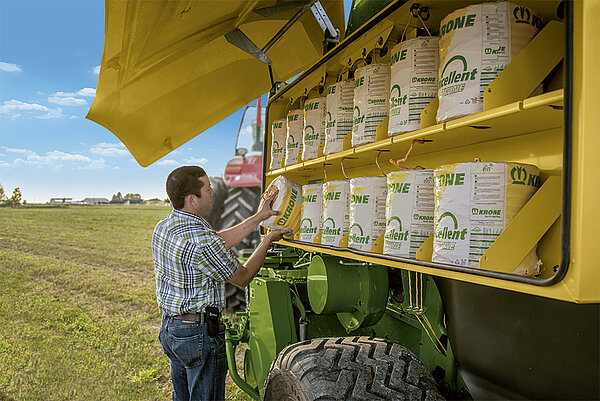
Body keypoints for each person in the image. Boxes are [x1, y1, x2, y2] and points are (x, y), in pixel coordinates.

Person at [152, 165, 291, 401]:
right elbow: (243, 277)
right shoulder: (201, 240)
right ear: (192, 200)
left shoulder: (165, 226)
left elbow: (218, 241)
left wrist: (260, 217)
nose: (213, 191)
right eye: (207, 189)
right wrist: (267, 239)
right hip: (198, 335)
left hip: (171, 330)